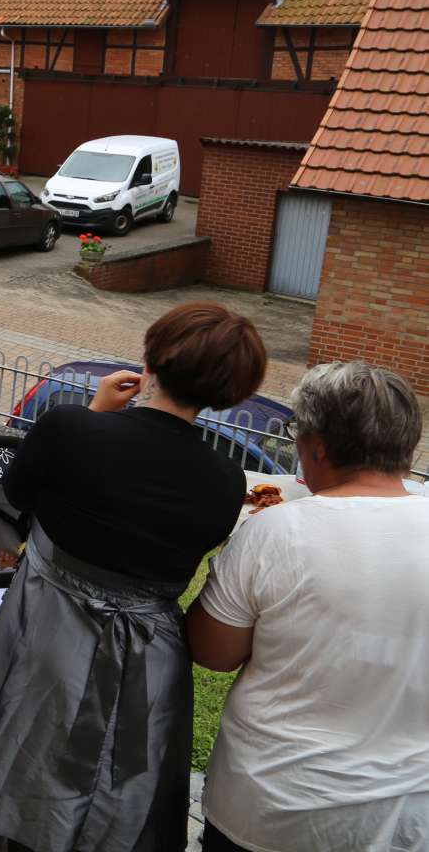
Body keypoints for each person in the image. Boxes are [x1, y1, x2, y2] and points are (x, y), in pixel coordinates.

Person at [0, 301, 269, 852]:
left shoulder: (71, 430)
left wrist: (94, 417)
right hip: (151, 658)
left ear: (153, 358)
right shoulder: (225, 482)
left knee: (28, 753)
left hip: (50, 632)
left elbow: (20, 497)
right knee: (119, 778)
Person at [188, 362, 429, 852]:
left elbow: (213, 652)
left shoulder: (273, 532)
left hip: (270, 808)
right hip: (403, 816)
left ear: (316, 446)